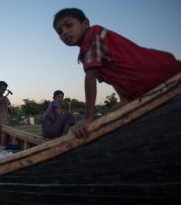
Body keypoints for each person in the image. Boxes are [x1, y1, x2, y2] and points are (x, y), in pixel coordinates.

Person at [53, 8, 181, 138]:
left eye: (69, 25)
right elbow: (118, 85)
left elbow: (90, 76)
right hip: (146, 90)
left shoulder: (94, 36)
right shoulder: (87, 53)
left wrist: (89, 118)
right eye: (60, 31)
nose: (64, 32)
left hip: (166, 73)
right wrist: (117, 106)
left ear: (85, 23)